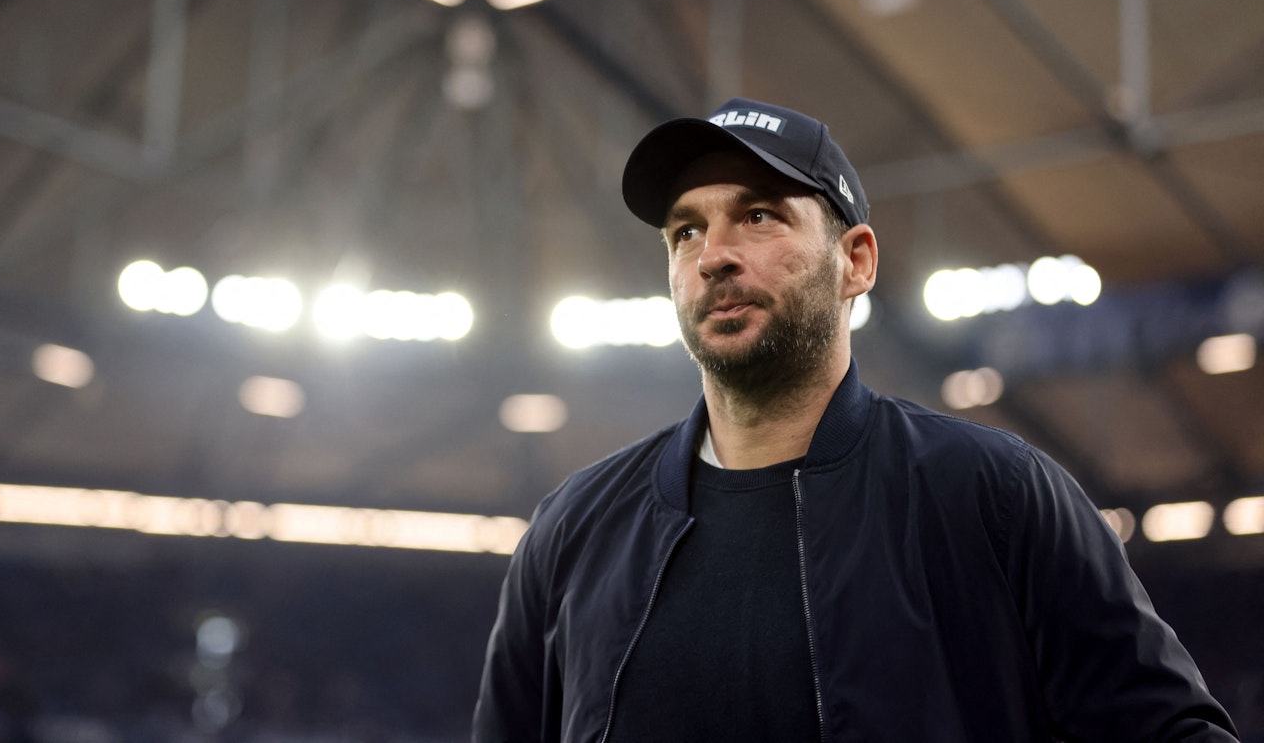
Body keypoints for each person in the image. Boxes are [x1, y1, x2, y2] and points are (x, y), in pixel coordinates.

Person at [472, 98, 1239, 742]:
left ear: (857, 261)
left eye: (759, 215)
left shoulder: (995, 495)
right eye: (686, 231)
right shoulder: (573, 531)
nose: (713, 256)